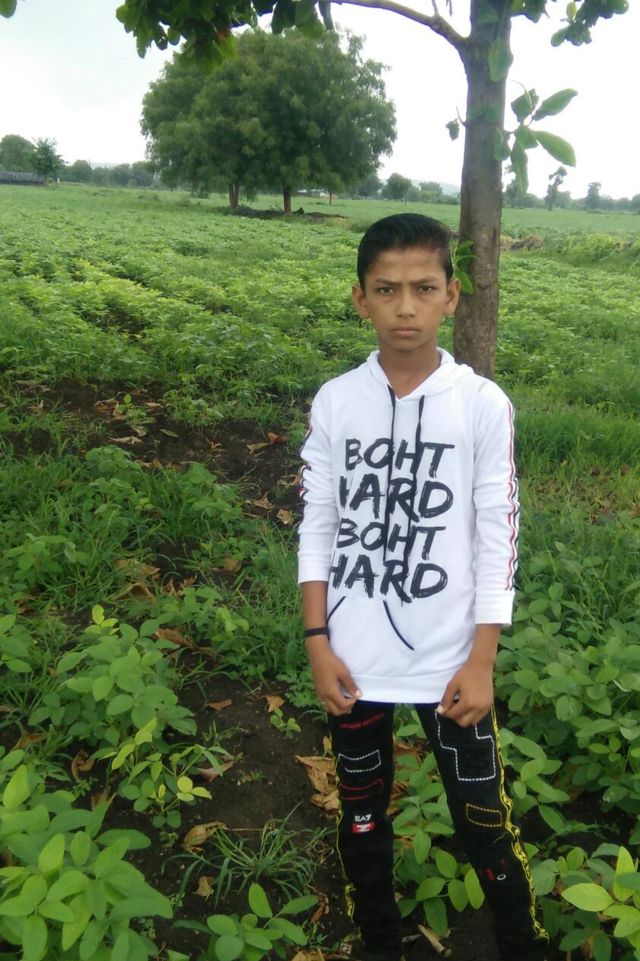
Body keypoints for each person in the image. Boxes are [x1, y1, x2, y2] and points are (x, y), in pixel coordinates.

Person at [297, 213, 548, 961]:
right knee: (362, 816)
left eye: (423, 288)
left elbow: (498, 533)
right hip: (354, 662)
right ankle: (380, 942)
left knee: (484, 822)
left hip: (449, 665)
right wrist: (317, 642)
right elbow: (318, 523)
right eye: (386, 289)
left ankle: (522, 945)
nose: (405, 307)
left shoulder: (481, 404)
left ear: (452, 296)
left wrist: (482, 659)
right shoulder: (336, 401)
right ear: (360, 299)